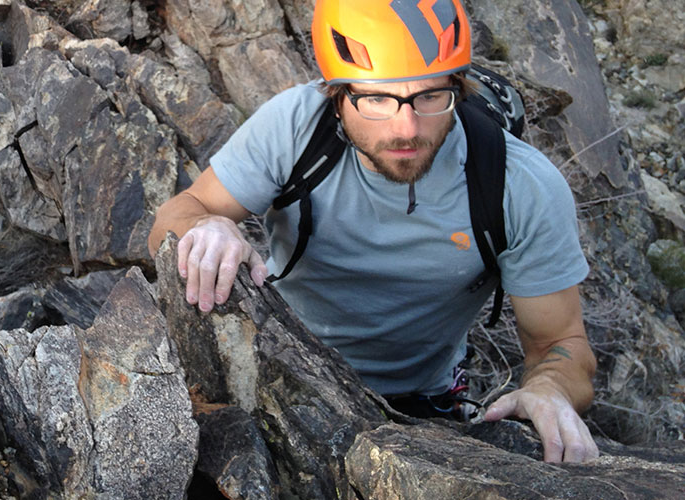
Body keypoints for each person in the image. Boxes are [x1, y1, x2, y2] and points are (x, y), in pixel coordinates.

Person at [147, 0, 598, 463]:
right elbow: (178, 214)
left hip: (421, 404)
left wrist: (549, 388)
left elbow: (561, 343)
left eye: (429, 97)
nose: (405, 128)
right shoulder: (294, 129)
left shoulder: (519, 186)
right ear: (336, 94)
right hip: (279, 365)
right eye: (377, 98)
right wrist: (208, 225)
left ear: (458, 89)